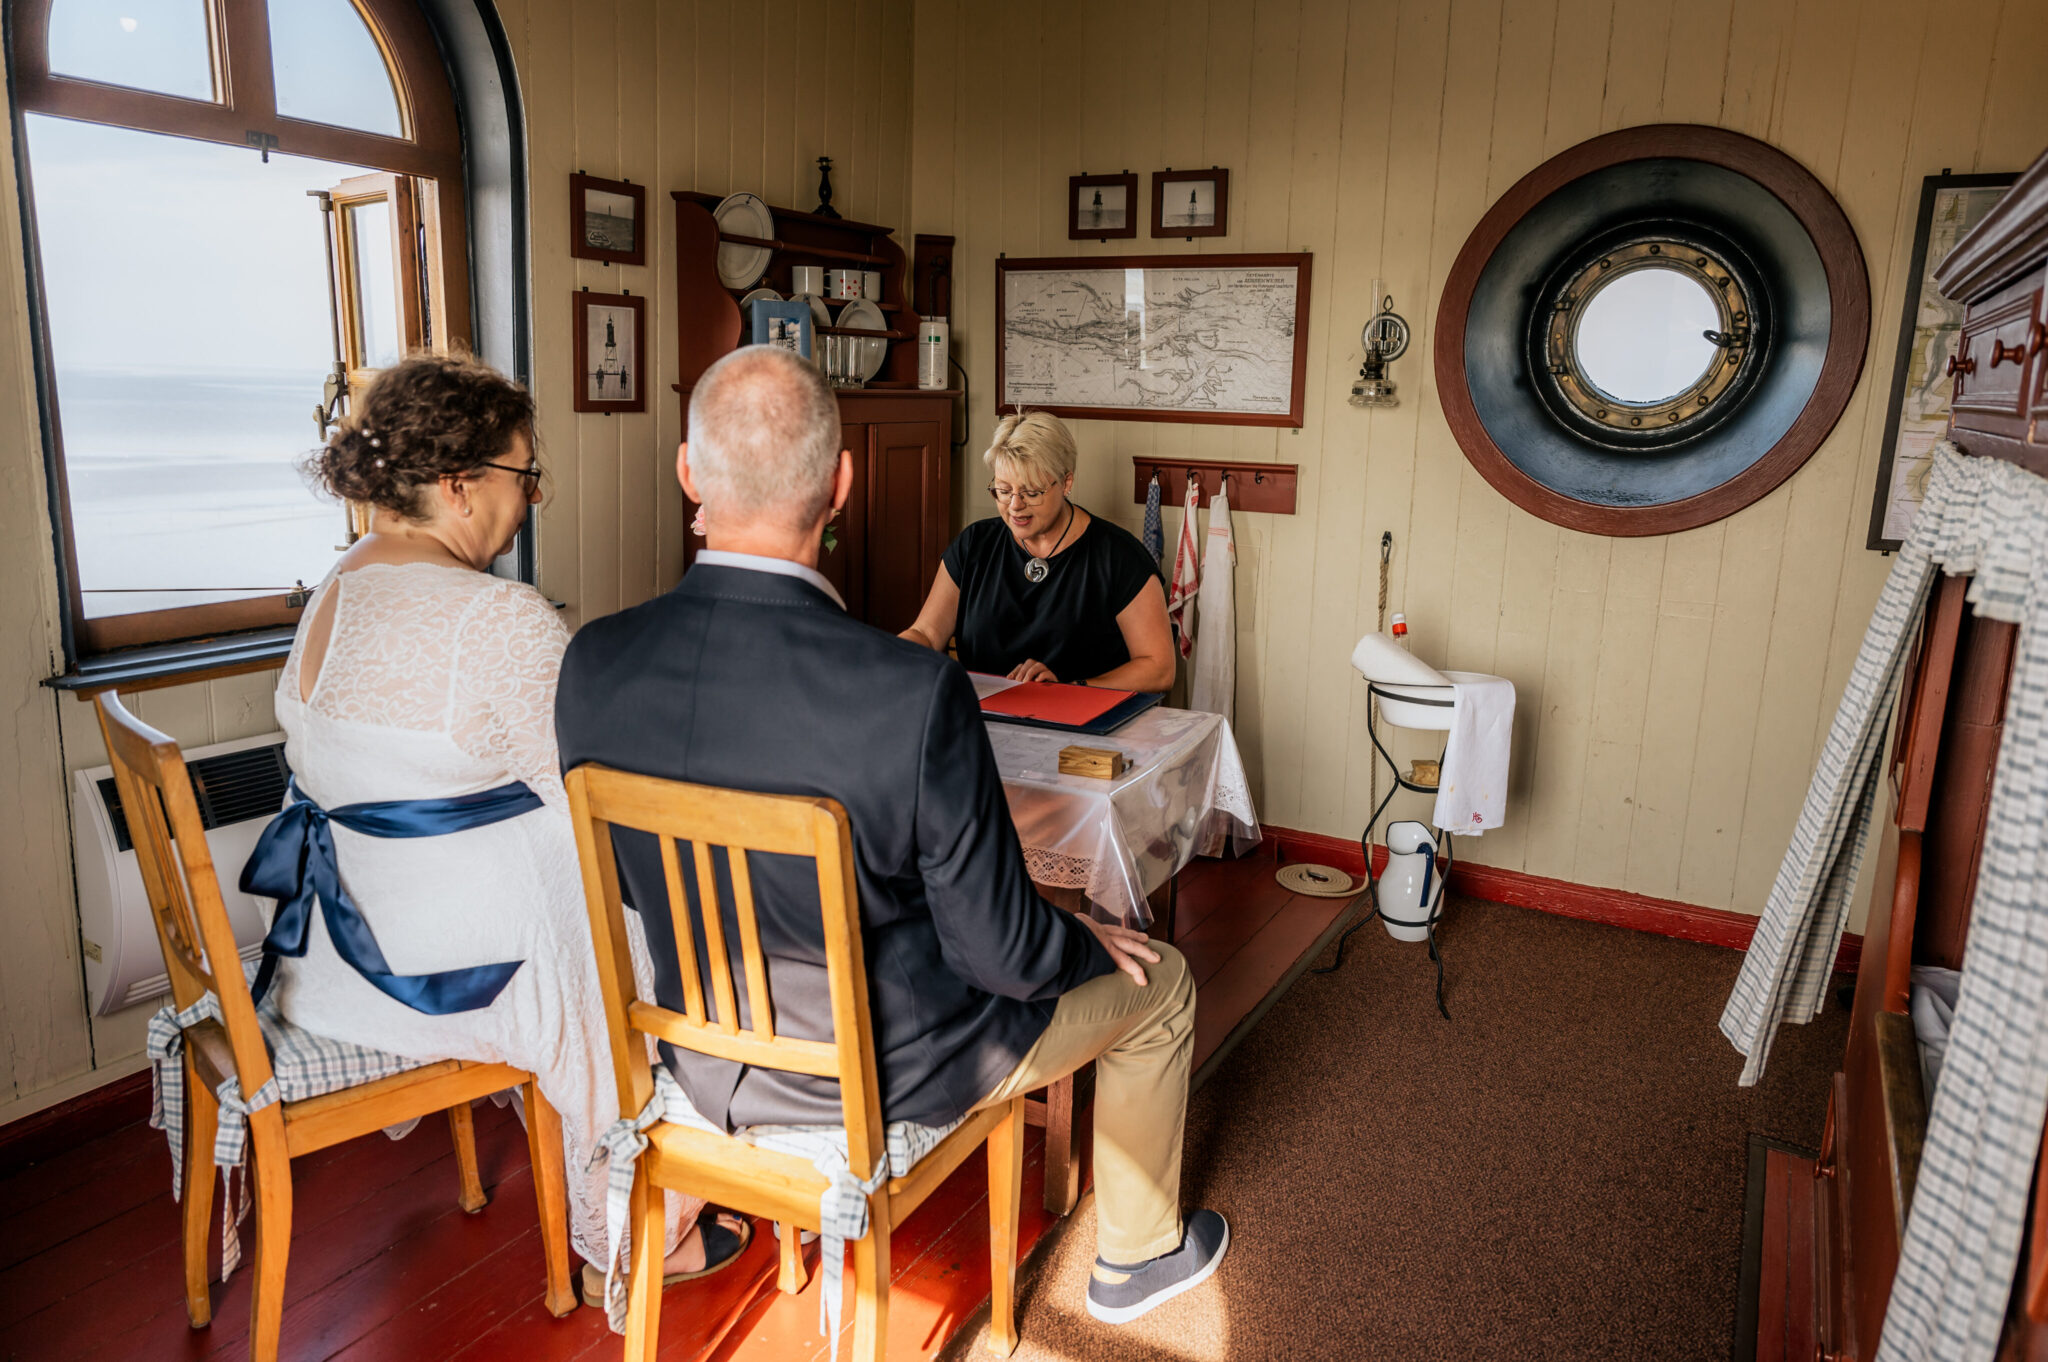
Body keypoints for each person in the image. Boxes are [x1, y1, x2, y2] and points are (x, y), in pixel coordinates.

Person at [555, 347, 1230, 1326]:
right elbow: (1000, 953)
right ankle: (1134, 1259)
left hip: (696, 1057)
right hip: (893, 1065)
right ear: (841, 484)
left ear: (688, 474)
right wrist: (1086, 932)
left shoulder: (591, 663)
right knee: (1158, 979)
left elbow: (630, 884)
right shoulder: (911, 695)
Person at [258, 352, 744, 1309]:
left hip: (327, 949)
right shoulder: (498, 616)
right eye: (523, 478)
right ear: (457, 485)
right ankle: (633, 1221)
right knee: (665, 935)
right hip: (436, 972)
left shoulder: (336, 590)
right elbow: (592, 797)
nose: (529, 501)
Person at [899, 411, 1175, 692]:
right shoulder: (974, 545)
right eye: (1003, 490)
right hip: (984, 717)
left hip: (1086, 725)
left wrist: (1071, 689)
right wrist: (889, 654)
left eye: (1031, 493)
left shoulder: (1119, 557)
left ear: (1066, 483)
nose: (1015, 505)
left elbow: (1159, 668)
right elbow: (927, 634)